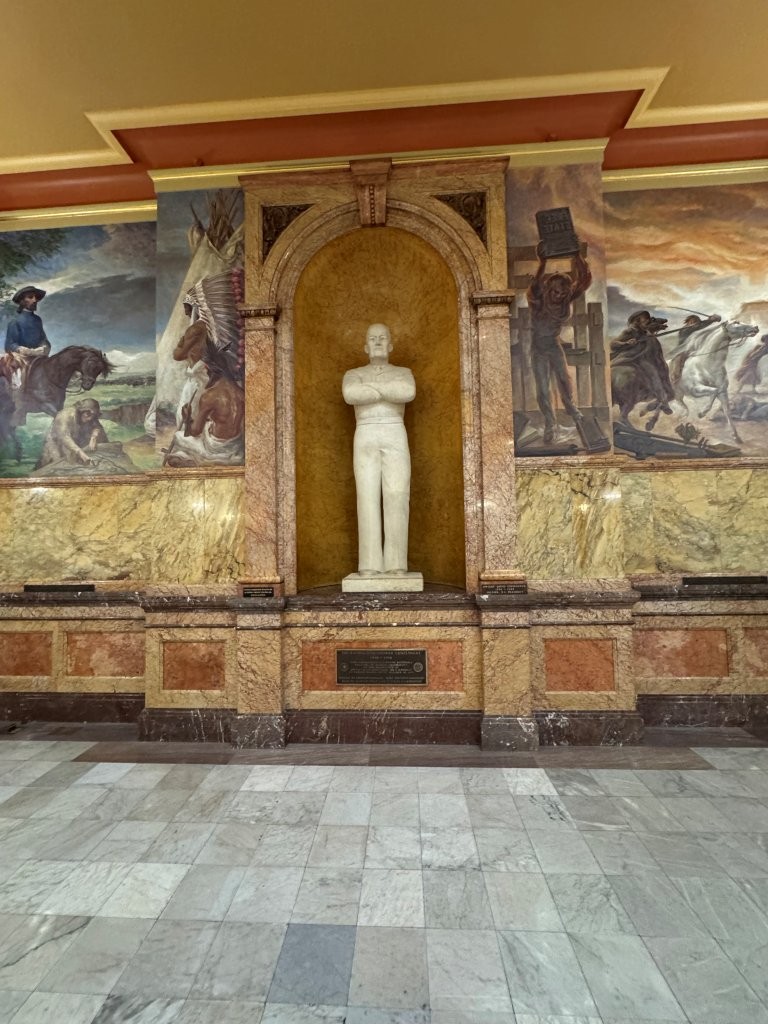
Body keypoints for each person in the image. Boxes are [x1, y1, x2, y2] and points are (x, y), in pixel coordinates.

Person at [342, 324, 415, 575]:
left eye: (382, 338)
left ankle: (396, 564)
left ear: (391, 345)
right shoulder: (353, 373)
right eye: (372, 338)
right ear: (365, 346)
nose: (377, 342)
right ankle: (370, 565)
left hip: (394, 430)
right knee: (367, 497)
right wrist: (386, 392)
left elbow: (407, 391)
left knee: (397, 494)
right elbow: (350, 394)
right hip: (366, 431)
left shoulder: (403, 372)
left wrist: (371, 390)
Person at [527, 245, 591, 442]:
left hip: (553, 345)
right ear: (549, 289)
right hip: (539, 347)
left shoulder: (565, 298)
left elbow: (585, 280)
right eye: (555, 292)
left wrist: (576, 256)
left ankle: (572, 410)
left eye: (563, 294)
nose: (559, 296)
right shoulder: (539, 297)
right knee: (544, 388)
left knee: (564, 380)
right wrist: (543, 262)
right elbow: (537, 283)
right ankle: (549, 423)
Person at [36, 398, 108, 469]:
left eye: (93, 416)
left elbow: (97, 426)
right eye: (88, 414)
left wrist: (94, 436)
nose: (90, 419)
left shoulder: (89, 417)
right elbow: (64, 437)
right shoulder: (64, 415)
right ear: (81, 411)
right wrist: (81, 453)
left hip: (73, 448)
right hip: (56, 446)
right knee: (55, 467)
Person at [4, 286, 51, 388]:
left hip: (38, 357)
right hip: (21, 359)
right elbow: (9, 345)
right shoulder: (15, 320)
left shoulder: (37, 320)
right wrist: (27, 351)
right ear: (22, 301)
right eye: (30, 297)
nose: (34, 300)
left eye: (36, 298)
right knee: (20, 383)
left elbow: (43, 339)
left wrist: (43, 347)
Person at [667, 313, 722, 384]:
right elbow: (698, 327)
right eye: (692, 322)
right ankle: (675, 378)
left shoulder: (696, 327)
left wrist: (711, 319)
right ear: (688, 322)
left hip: (694, 348)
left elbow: (702, 325)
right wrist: (710, 320)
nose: (693, 323)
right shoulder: (684, 330)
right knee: (679, 359)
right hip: (683, 349)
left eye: (695, 322)